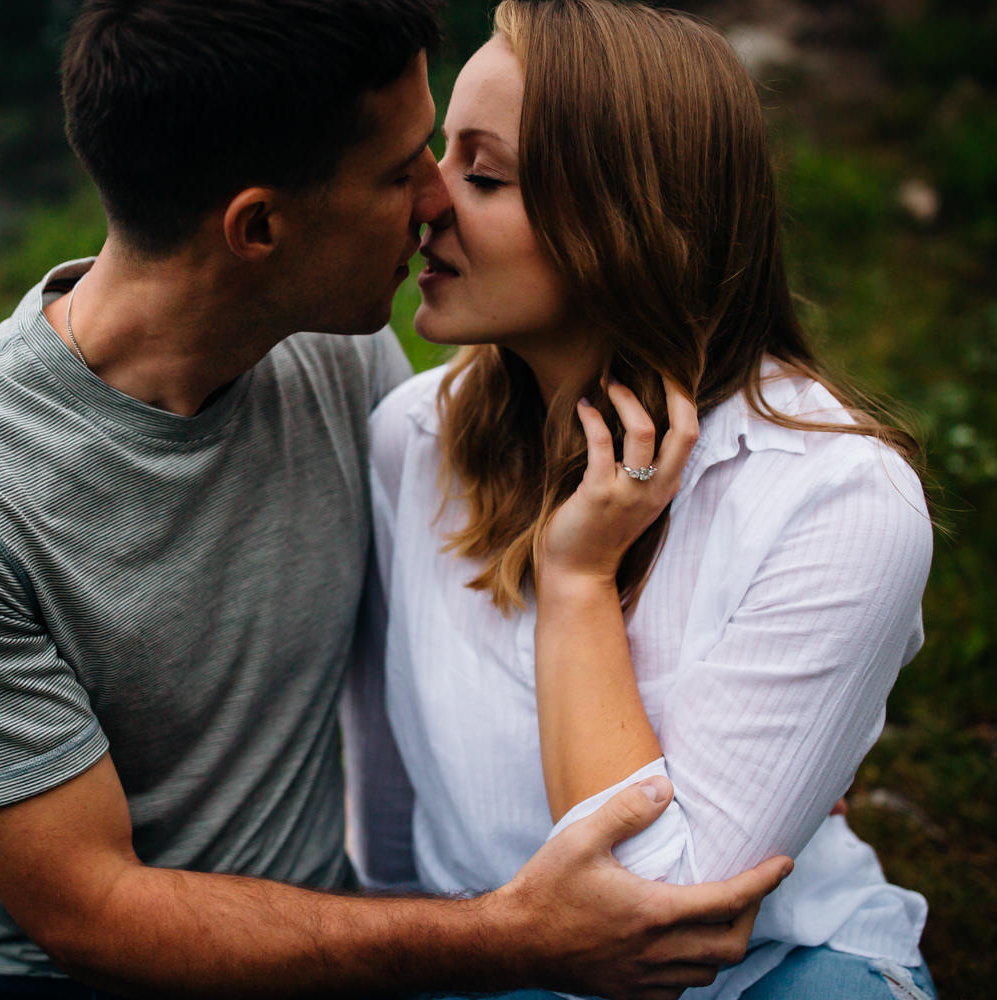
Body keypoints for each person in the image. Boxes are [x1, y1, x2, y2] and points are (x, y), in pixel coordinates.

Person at [0, 2, 793, 998]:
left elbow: (474, 605)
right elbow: (90, 914)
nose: (434, 200)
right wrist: (519, 935)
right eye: (401, 169)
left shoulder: (343, 351)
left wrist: (752, 731)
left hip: (347, 937)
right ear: (260, 226)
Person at [350, 1, 936, 998]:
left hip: (766, 974)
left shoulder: (836, 500)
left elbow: (661, 926)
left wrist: (574, 579)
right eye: (443, 153)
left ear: (626, 227)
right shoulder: (412, 437)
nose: (428, 200)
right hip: (485, 961)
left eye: (484, 174)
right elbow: (392, 797)